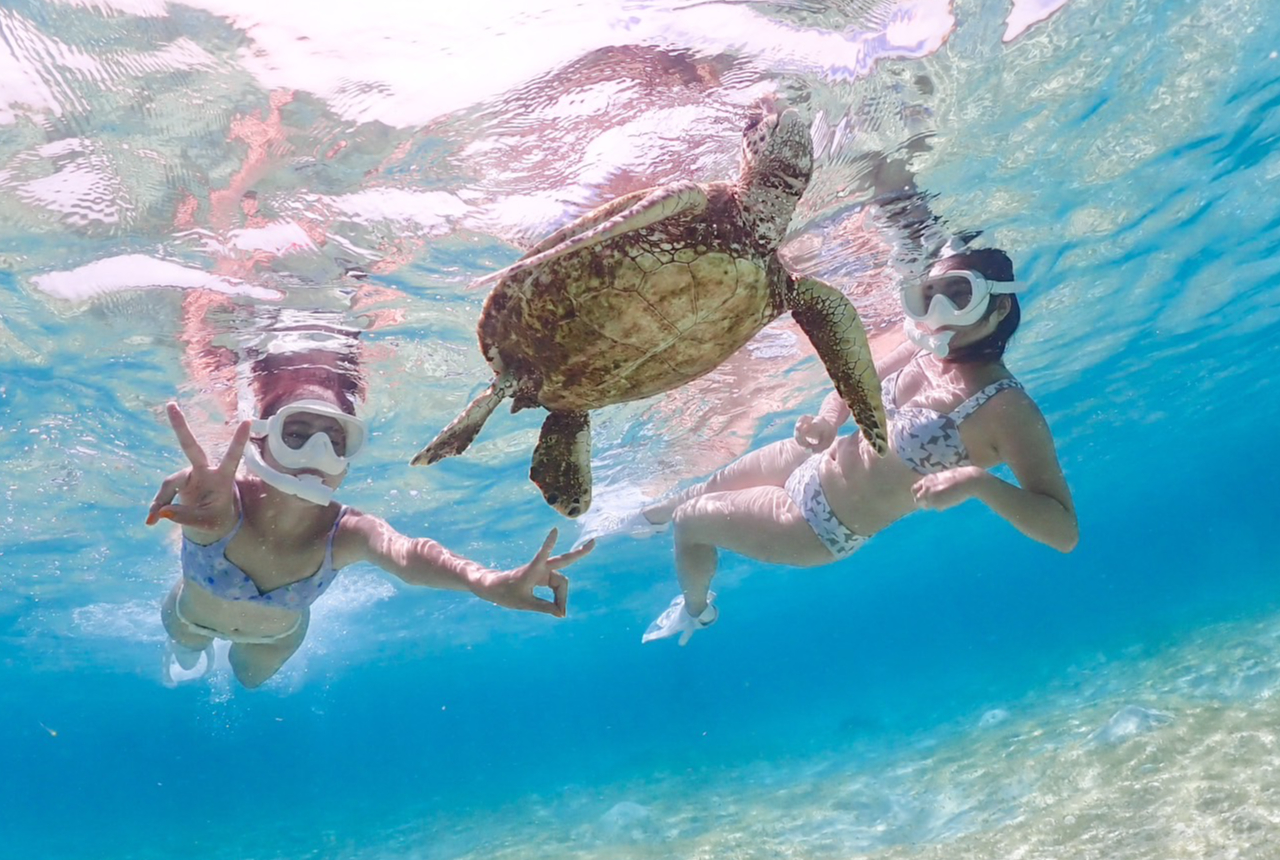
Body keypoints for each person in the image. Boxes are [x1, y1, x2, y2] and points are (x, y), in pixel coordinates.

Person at [619, 246, 1077, 645]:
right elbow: (852, 381)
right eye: (931, 293)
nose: (939, 309)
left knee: (689, 522)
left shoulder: (1008, 410)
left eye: (959, 295)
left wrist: (979, 483)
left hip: (816, 525)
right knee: (698, 492)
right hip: (814, 458)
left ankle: (696, 610)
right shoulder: (926, 351)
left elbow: (1063, 532)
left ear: (999, 308)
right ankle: (628, 524)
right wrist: (825, 422)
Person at [149, 351, 594, 688]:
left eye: (335, 441)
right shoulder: (216, 503)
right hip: (191, 617)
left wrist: (487, 582)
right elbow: (193, 503)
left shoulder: (346, 532)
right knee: (187, 647)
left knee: (248, 682)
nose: (317, 455)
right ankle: (189, 658)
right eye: (297, 436)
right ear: (260, 441)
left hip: (274, 639)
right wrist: (191, 510)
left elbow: (408, 555)